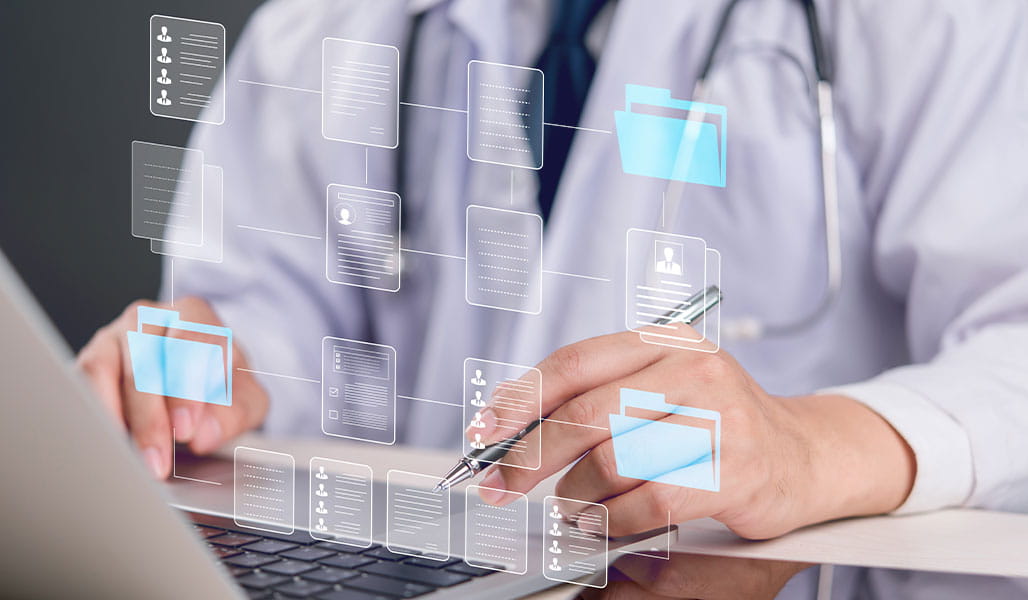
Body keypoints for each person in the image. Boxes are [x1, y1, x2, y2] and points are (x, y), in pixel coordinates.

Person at [76, 1, 1028, 597]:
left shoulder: (941, 19)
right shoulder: (329, 23)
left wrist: (812, 444)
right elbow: (271, 315)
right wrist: (209, 363)